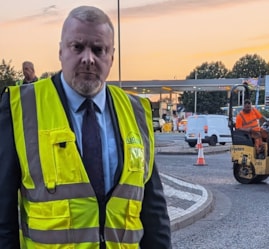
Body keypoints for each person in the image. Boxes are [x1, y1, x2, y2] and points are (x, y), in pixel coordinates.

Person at [0, 6, 171, 249]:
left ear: (112, 56)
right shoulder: (21, 107)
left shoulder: (137, 112)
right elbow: (3, 216)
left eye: (98, 49)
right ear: (61, 51)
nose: (88, 58)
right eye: (77, 47)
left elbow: (153, 213)